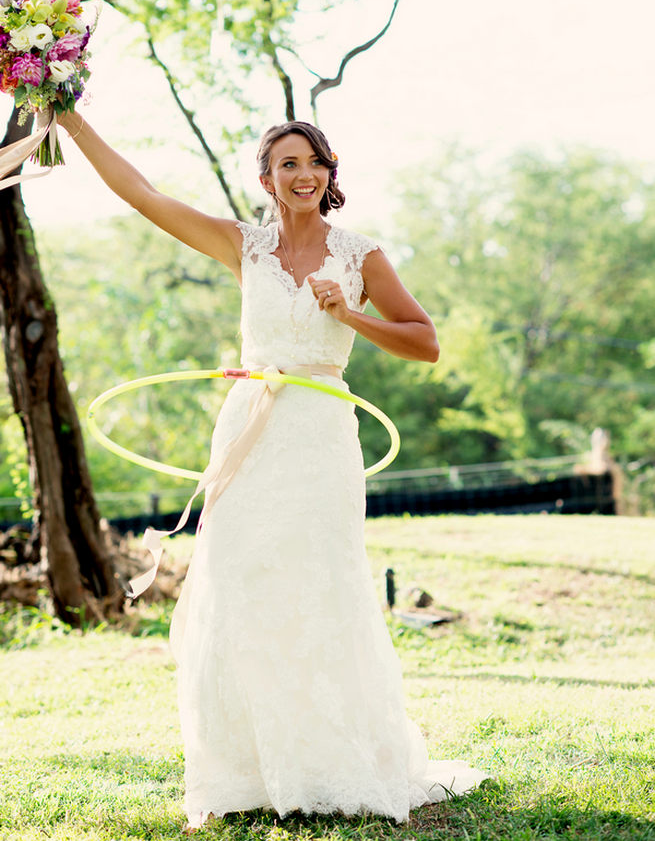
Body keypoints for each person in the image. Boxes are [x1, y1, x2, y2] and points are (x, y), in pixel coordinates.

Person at [57, 111, 488, 830]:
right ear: (266, 179)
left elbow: (424, 342)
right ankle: (248, 768)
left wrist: (348, 314)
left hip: (320, 434)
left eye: (313, 161)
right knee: (239, 581)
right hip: (252, 425)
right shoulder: (243, 245)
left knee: (318, 583)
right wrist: (68, 116)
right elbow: (141, 192)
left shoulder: (359, 255)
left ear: (330, 171)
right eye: (287, 163)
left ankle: (330, 760)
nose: (302, 174)